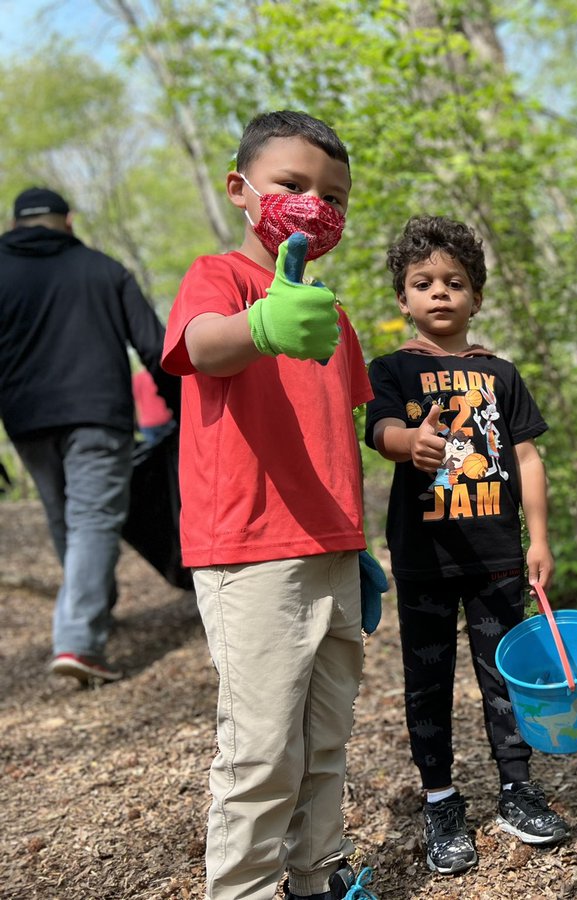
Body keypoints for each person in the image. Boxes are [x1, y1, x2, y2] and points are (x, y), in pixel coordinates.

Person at [162, 111, 380, 900]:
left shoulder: (333, 315)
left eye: (334, 196)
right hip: (249, 552)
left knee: (326, 739)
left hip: (332, 552)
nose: (314, 205)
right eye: (293, 185)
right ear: (241, 188)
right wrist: (259, 324)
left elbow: (338, 436)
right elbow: (201, 345)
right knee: (260, 751)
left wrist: (357, 546)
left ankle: (315, 877)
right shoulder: (219, 278)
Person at [365, 215, 569, 876]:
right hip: (425, 557)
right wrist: (409, 444)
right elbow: (382, 431)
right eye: (423, 283)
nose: (440, 293)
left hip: (498, 557)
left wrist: (538, 537)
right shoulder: (392, 369)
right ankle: (441, 800)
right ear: (403, 299)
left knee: (503, 680)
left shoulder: (500, 375)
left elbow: (529, 457)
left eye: (455, 282)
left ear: (476, 296)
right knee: (426, 682)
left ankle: (516, 788)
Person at [0, 186, 179, 685]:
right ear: (69, 220)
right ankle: (79, 640)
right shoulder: (102, 268)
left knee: (66, 515)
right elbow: (155, 346)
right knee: (92, 519)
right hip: (97, 413)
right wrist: (183, 408)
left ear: (16, 224)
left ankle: (91, 612)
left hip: (25, 419)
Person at [131, 366, 174, 447]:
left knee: (152, 455)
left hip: (147, 423)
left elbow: (136, 403)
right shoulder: (158, 375)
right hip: (165, 418)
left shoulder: (136, 379)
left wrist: (136, 422)